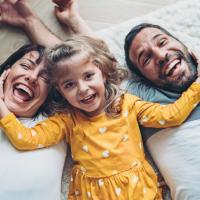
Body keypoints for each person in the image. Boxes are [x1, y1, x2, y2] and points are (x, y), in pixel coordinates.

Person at [0, 0, 199, 199]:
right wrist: (2, 106)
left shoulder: (127, 103)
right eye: (69, 85)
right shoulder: (67, 121)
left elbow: (171, 116)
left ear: (103, 73)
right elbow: (25, 139)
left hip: (139, 192)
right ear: (59, 91)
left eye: (88, 77)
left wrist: (197, 85)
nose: (82, 89)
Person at [124, 23, 200, 199]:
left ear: (182, 43)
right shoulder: (144, 98)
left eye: (162, 42)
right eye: (146, 59)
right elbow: (91, 70)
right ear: (143, 79)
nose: (161, 55)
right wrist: (74, 21)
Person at [0, 44, 67, 200]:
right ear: (6, 71)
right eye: (25, 65)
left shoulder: (57, 123)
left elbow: (82, 67)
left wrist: (30, 22)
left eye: (45, 77)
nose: (32, 77)